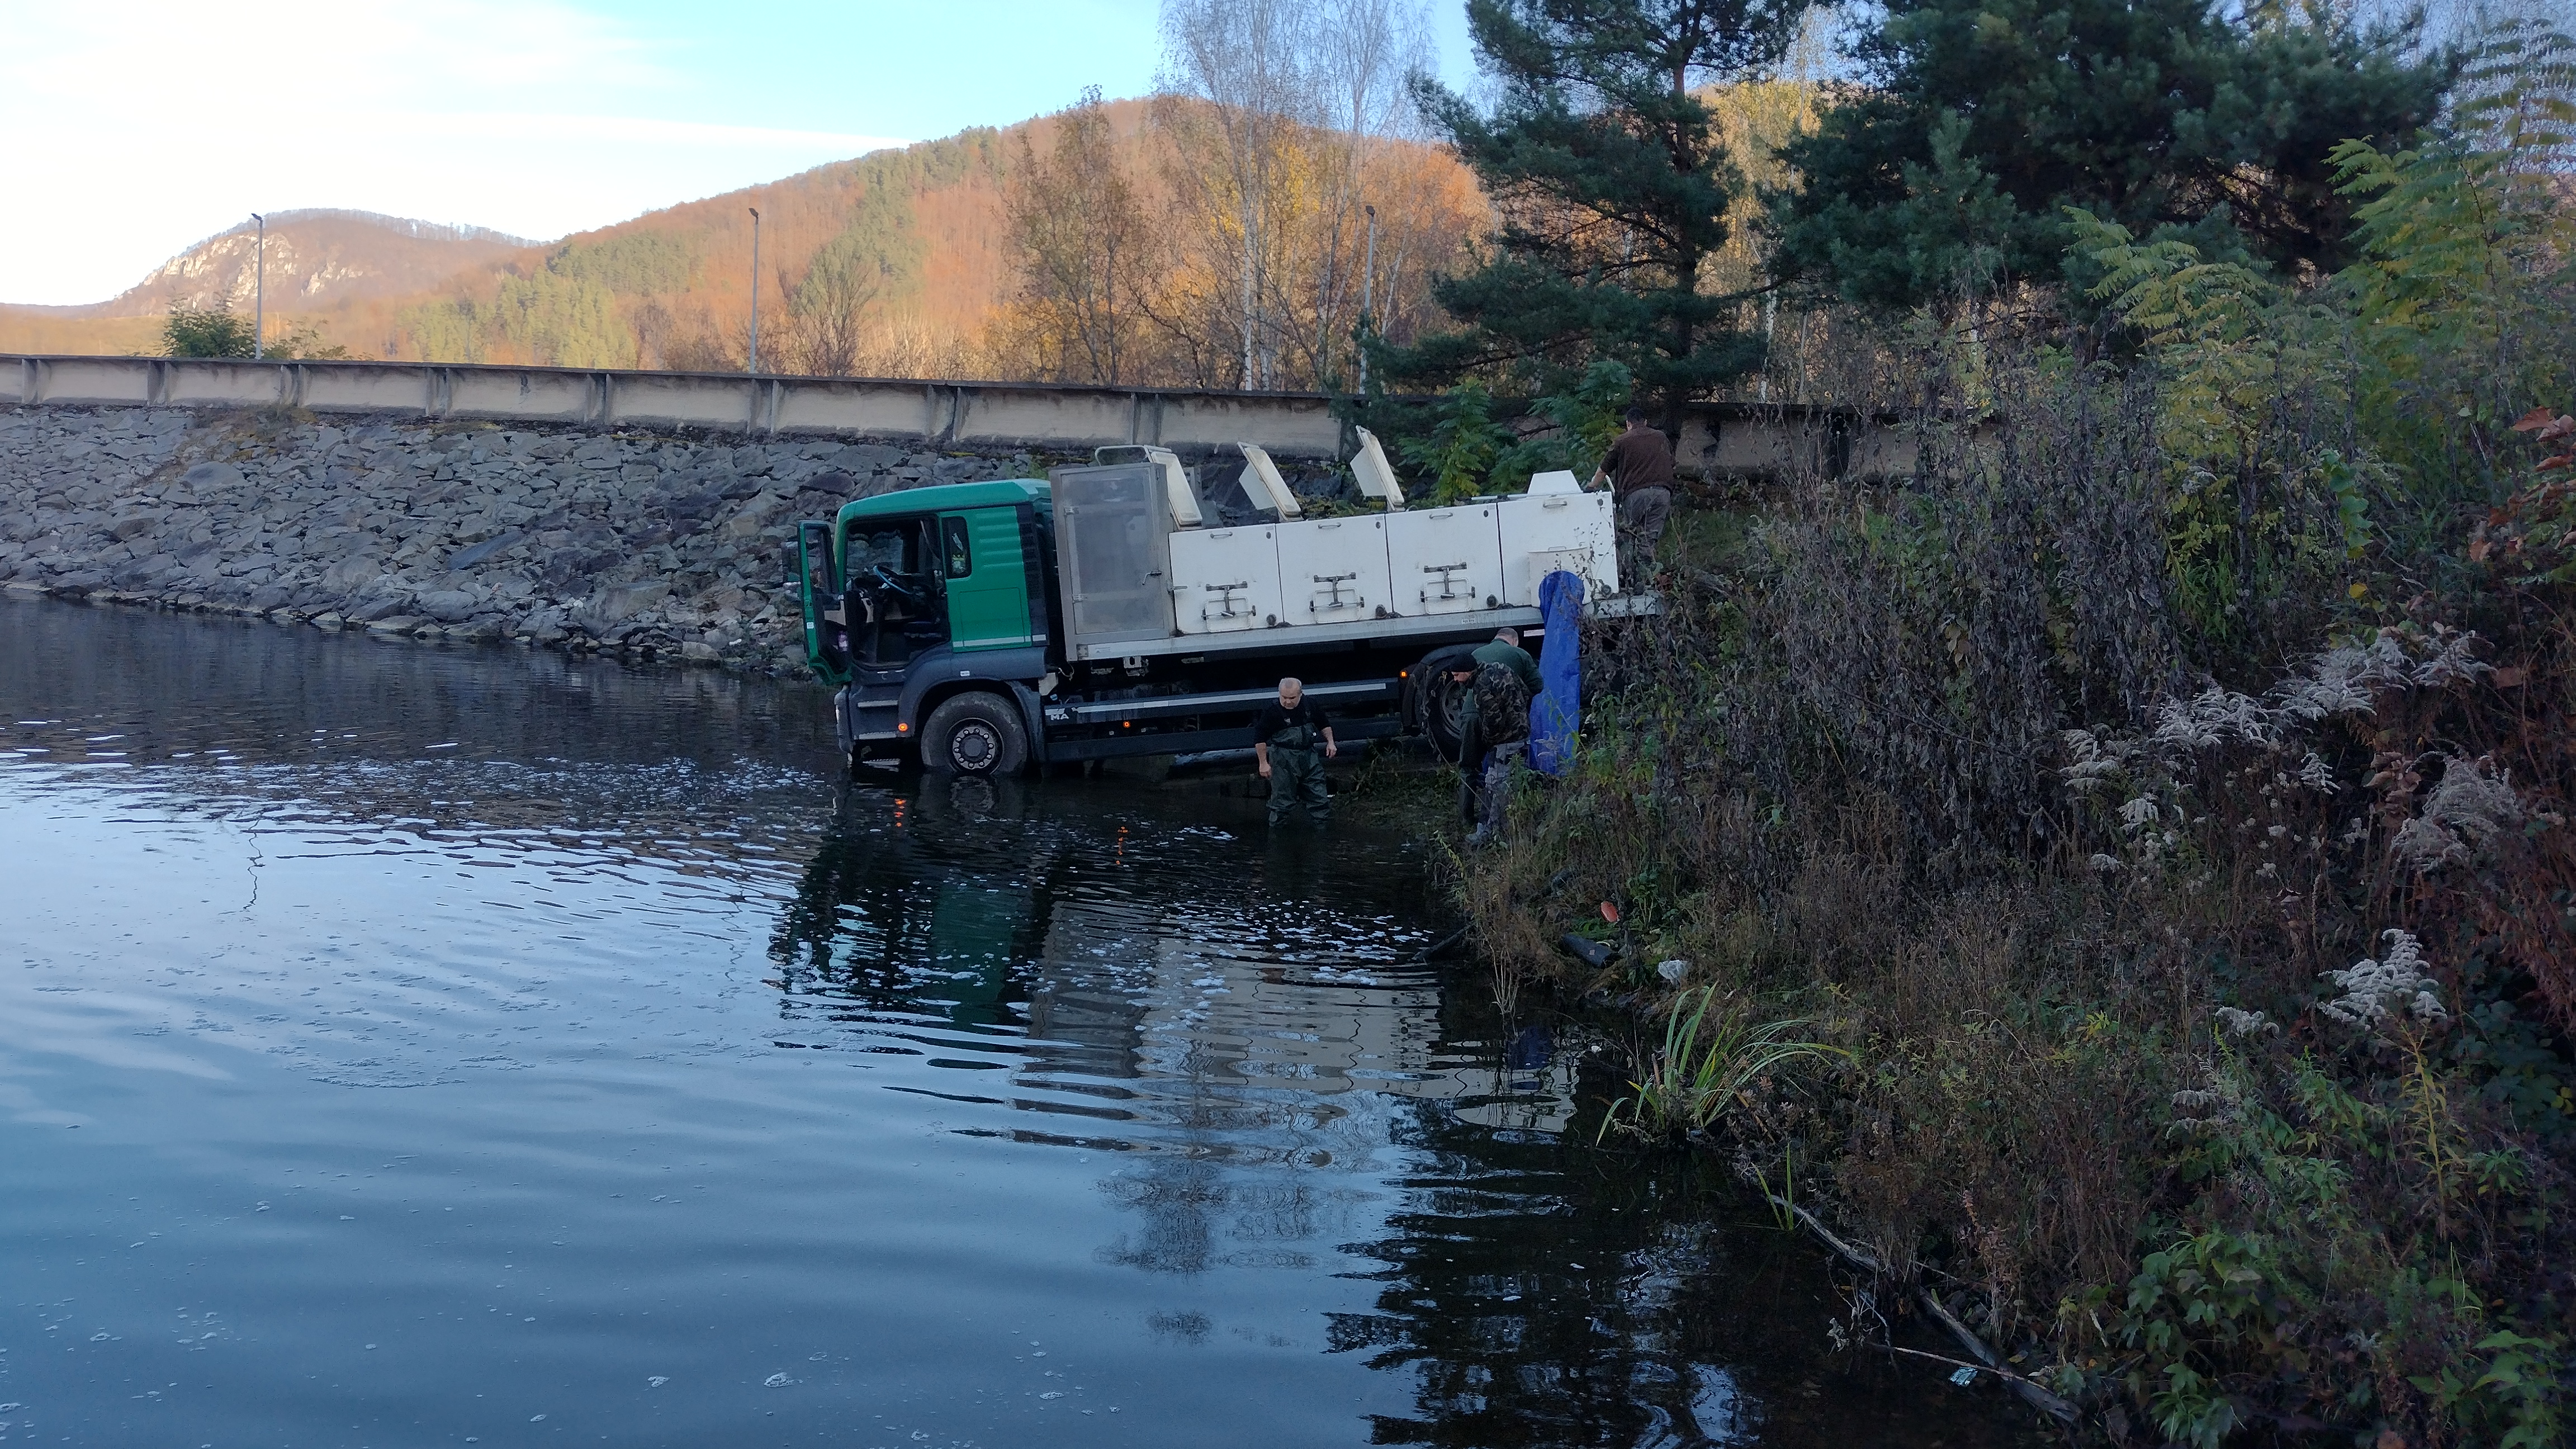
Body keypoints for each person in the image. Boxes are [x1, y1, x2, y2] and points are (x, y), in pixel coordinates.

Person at [1451, 627, 1542, 847]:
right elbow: (1530, 688)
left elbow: (1492, 720)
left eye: (1456, 676)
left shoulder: (1481, 686)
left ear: (1467, 671)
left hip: (1505, 740)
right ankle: (1504, 828)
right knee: (1507, 781)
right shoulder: (1501, 667)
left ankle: (1486, 833)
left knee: (1493, 783)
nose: (1456, 680)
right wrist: (1517, 711)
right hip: (1521, 732)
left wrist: (1491, 741)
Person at [1589, 405, 1675, 577]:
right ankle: (1645, 578)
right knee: (1648, 539)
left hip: (1635, 495)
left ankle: (1625, 576)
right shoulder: (1661, 437)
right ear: (1645, 422)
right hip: (1662, 494)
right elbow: (1672, 463)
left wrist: (1590, 488)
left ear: (1628, 423)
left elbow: (1603, 471)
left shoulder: (1622, 441)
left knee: (1627, 535)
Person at [1253, 676, 1336, 827]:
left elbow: (1324, 724)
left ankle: (1322, 832)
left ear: (1301, 694)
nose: (1288, 702)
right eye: (1284, 697)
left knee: (1320, 799)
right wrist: (1263, 763)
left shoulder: (1310, 705)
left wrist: (1330, 742)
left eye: (1292, 698)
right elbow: (1260, 739)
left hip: (1309, 757)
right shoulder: (1272, 712)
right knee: (1281, 803)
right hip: (1283, 759)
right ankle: (1277, 839)